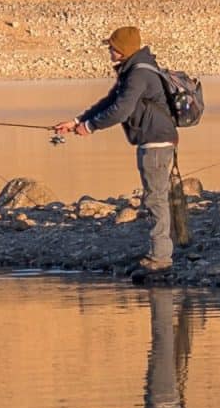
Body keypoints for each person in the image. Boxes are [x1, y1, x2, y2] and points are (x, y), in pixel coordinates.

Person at [53, 26, 179, 273]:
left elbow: (121, 110)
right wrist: (78, 122)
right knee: (156, 196)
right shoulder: (134, 71)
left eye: (112, 47)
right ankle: (160, 252)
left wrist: (90, 127)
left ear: (124, 50)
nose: (109, 51)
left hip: (155, 143)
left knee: (156, 198)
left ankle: (161, 258)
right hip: (154, 140)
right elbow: (110, 102)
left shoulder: (138, 74)